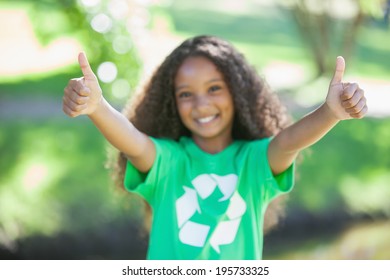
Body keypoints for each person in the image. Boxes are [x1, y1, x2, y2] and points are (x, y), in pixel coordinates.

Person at [63, 35, 367, 260]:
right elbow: (133, 142)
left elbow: (288, 142)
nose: (201, 104)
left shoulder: (253, 163)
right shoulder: (170, 163)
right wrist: (97, 107)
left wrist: (331, 113)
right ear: (171, 103)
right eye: (185, 94)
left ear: (238, 94)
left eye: (214, 88)